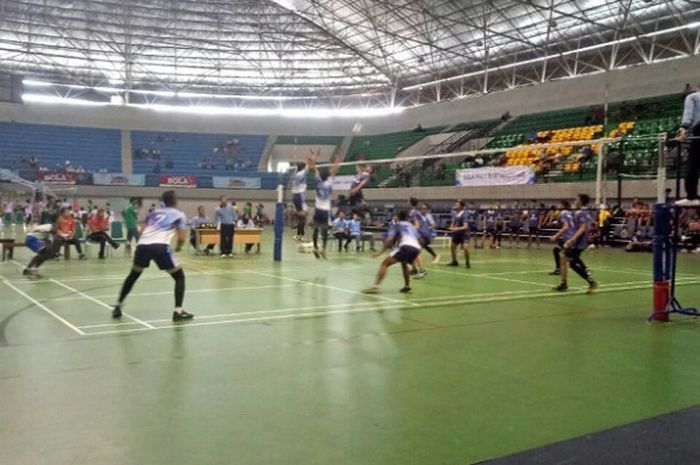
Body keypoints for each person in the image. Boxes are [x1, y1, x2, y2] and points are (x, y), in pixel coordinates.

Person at [112, 190, 192, 322]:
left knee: (133, 275)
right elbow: (182, 237)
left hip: (143, 245)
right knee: (179, 276)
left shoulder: (153, 213)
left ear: (163, 201)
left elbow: (143, 230)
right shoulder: (179, 215)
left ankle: (118, 306)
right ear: (175, 201)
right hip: (160, 246)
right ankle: (178, 311)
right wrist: (178, 247)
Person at [362, 210, 422, 294]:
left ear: (398, 217)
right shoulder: (411, 226)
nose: (394, 217)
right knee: (404, 263)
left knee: (384, 264)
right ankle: (407, 287)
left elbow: (389, 239)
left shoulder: (397, 225)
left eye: (395, 216)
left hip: (406, 246)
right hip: (416, 248)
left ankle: (375, 287)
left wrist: (380, 252)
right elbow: (419, 239)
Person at [553, 194, 598, 293]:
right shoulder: (581, 212)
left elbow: (582, 228)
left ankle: (590, 282)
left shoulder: (581, 213)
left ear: (581, 201)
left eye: (576, 199)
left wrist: (572, 239)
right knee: (567, 260)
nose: (574, 201)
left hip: (578, 243)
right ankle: (565, 283)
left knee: (568, 260)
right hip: (579, 242)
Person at [310, 157, 340, 259]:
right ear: (327, 177)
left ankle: (315, 247)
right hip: (325, 210)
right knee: (325, 230)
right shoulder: (329, 183)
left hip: (317, 209)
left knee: (316, 229)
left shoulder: (318, 182)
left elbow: (315, 171)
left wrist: (313, 163)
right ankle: (323, 249)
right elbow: (334, 172)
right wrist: (336, 163)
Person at [677, 83, 700, 206]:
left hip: (699, 128)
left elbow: (688, 113)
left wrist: (683, 128)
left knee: (693, 164)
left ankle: (691, 196)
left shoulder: (693, 97)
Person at [291, 151, 315, 241]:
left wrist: (310, 158)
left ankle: (299, 235)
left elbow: (307, 165)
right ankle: (300, 235)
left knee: (302, 217)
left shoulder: (296, 174)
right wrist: (311, 156)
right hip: (299, 196)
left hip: (296, 196)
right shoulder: (301, 174)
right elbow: (308, 165)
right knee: (304, 215)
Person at [549, 200, 571, 275]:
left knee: (571, 256)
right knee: (557, 250)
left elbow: (566, 226)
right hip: (569, 236)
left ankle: (585, 269)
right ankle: (558, 269)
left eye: (559, 204)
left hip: (569, 237)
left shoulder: (563, 213)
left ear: (563, 206)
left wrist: (556, 236)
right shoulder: (569, 213)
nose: (558, 205)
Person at [447, 199, 471, 268]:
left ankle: (467, 262)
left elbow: (465, 226)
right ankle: (454, 261)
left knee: (465, 248)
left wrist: (455, 228)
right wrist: (451, 227)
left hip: (464, 234)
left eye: (457, 204)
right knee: (452, 247)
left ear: (461, 206)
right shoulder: (455, 213)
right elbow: (453, 221)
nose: (455, 205)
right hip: (457, 234)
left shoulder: (464, 214)